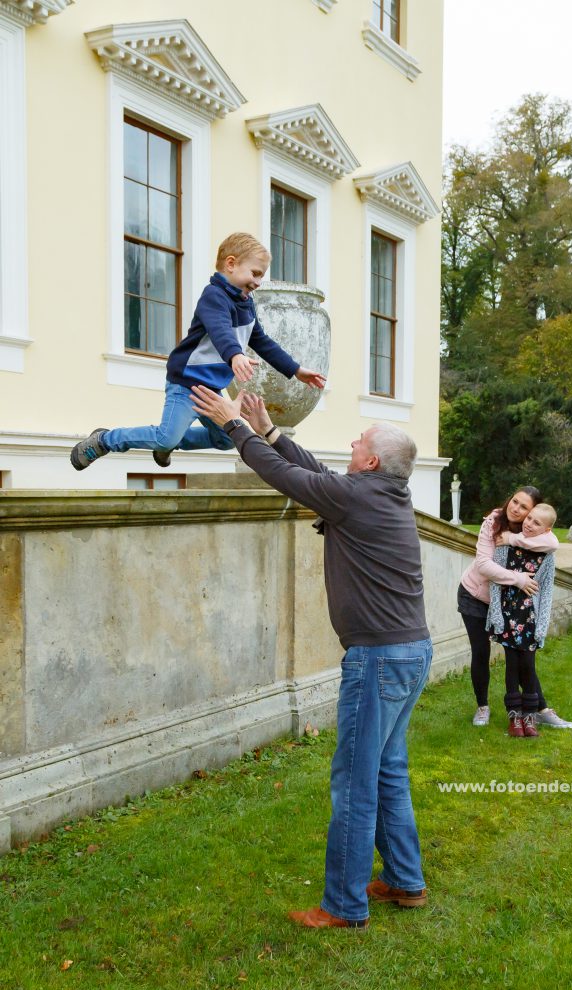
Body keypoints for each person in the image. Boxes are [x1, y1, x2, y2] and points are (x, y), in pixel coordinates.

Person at [190, 383, 432, 931]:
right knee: (387, 771)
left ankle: (344, 906)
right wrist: (269, 431)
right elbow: (316, 478)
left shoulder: (358, 496)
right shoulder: (378, 491)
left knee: (354, 782)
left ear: (370, 460)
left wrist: (236, 426)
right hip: (408, 652)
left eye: (359, 440)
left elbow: (288, 479)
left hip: (379, 660)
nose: (351, 441)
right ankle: (404, 880)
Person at [70, 233, 326, 471]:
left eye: (262, 276)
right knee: (164, 435)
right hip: (187, 384)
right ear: (231, 264)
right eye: (255, 273)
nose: (258, 282)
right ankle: (105, 440)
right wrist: (235, 355)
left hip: (211, 389)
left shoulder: (246, 304)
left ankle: (171, 444)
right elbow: (220, 330)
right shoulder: (213, 296)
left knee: (226, 439)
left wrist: (295, 370)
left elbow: (262, 341)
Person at [457, 487, 572, 729]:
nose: (516, 509)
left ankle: (540, 709)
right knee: (481, 653)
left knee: (523, 656)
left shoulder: (529, 529)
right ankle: (482, 707)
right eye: (515, 502)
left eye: (524, 507)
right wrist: (518, 578)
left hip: (510, 606)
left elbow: (553, 542)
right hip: (475, 596)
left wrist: (513, 539)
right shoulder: (493, 521)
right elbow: (484, 565)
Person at [487, 504, 558, 738]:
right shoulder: (505, 544)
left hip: (530, 618)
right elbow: (495, 582)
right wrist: (496, 613)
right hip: (508, 615)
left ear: (547, 530)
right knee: (511, 665)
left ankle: (530, 716)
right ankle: (514, 717)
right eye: (529, 518)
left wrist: (543, 624)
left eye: (537, 523)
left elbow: (546, 591)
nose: (529, 523)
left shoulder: (547, 555)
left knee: (528, 666)